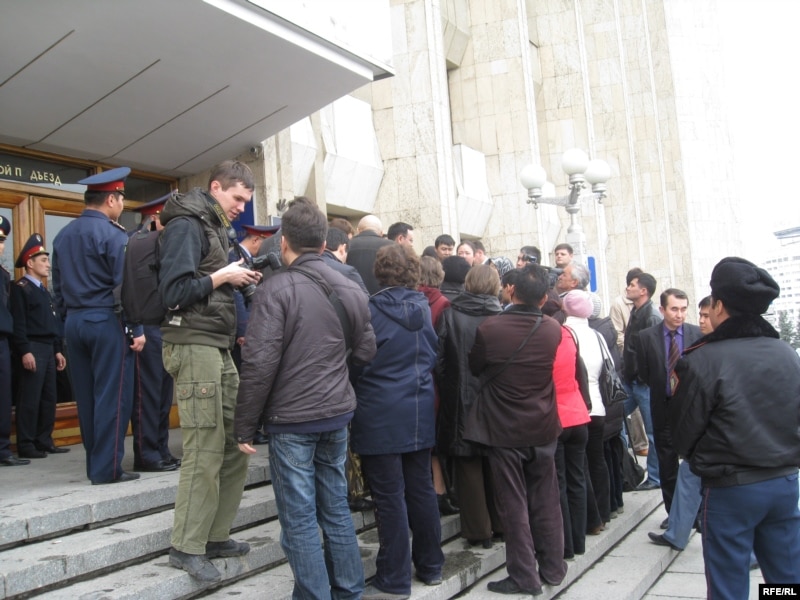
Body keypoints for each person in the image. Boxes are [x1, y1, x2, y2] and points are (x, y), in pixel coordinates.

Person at [234, 197, 376, 599]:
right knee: (335, 509)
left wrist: (244, 424)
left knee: (299, 519)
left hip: (293, 419)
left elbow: (259, 363)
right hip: (335, 413)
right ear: (324, 243)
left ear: (284, 243)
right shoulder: (350, 285)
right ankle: (349, 591)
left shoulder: (275, 289)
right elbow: (366, 350)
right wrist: (333, 368)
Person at [158, 160, 262, 583]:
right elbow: (173, 292)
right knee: (203, 447)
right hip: (192, 342)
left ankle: (215, 535)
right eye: (237, 198)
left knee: (237, 442)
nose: (241, 207)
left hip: (216, 344)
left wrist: (234, 278)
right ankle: (186, 546)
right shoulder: (187, 224)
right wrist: (223, 276)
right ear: (216, 187)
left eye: (245, 201)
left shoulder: (215, 225)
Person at [672, 257, 800, 598]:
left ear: (719, 305)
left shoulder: (702, 359)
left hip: (732, 488)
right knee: (787, 578)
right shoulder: (786, 353)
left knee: (729, 585)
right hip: (784, 481)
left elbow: (683, 434)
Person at [464, 263, 567, 596]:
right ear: (544, 298)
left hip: (505, 427)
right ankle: (553, 566)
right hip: (543, 423)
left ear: (510, 291)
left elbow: (475, 367)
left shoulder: (491, 328)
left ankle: (524, 575)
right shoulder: (553, 329)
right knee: (546, 498)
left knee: (513, 503)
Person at [352, 244, 444, 599]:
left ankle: (394, 576)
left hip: (379, 411)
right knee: (420, 489)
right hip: (417, 409)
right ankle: (431, 565)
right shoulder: (423, 307)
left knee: (389, 496)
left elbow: (359, 361)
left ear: (380, 272)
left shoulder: (371, 309)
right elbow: (433, 355)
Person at [52, 167, 145, 485]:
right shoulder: (114, 235)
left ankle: (96, 464)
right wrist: (136, 328)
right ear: (111, 199)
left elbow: (58, 287)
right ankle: (108, 469)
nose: (122, 204)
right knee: (113, 396)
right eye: (121, 198)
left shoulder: (63, 235)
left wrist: (66, 320)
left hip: (75, 322)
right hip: (106, 320)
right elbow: (125, 287)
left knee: (87, 398)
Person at [435, 264, 503, 547]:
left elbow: (439, 362)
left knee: (468, 466)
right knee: (497, 464)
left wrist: (450, 388)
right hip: (498, 402)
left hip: (460, 399)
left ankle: (478, 531)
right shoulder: (503, 317)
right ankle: (501, 524)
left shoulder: (451, 315)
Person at [648, 295, 711, 552]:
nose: (700, 320)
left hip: (714, 429)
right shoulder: (649, 337)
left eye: (707, 315)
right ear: (662, 309)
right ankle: (677, 531)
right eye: (701, 315)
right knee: (686, 474)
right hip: (674, 412)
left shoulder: (712, 348)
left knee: (693, 475)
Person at [125, 195, 180, 472]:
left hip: (163, 327)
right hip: (146, 327)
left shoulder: (160, 245)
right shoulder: (136, 244)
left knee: (162, 395)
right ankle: (146, 454)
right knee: (146, 396)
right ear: (156, 218)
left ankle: (160, 448)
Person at [636, 289, 701, 515]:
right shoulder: (646, 337)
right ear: (662, 310)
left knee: (695, 461)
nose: (679, 314)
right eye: (674, 309)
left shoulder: (697, 334)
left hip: (692, 409)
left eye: (683, 309)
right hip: (662, 406)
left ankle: (696, 512)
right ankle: (673, 514)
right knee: (667, 462)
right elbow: (644, 372)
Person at [10, 234, 68, 459]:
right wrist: (25, 350)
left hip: (48, 348)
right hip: (33, 347)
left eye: (47, 260)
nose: (48, 265)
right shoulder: (21, 288)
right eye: (43, 260)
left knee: (48, 398)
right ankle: (26, 444)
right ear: (30, 263)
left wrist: (57, 350)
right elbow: (19, 323)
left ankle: (44, 440)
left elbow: (51, 323)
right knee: (30, 398)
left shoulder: (44, 290)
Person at [563, 290, 612, 528]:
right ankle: (604, 512)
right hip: (598, 406)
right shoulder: (597, 335)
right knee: (597, 461)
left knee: (579, 467)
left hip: (576, 407)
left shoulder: (565, 334)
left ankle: (591, 519)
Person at [418, 255, 457, 517]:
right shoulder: (443, 304)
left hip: (416, 377)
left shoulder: (411, 300)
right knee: (435, 440)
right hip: (434, 379)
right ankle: (439, 491)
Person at [553, 310, 592, 559]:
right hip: (577, 413)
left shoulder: (544, 340)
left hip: (556, 416)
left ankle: (566, 545)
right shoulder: (569, 334)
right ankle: (579, 541)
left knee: (559, 482)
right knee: (577, 479)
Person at [621, 272, 662, 491]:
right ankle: (625, 468)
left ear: (643, 290)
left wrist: (645, 377)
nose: (628, 288)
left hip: (644, 384)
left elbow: (656, 352)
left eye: (632, 285)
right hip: (631, 381)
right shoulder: (636, 312)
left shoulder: (651, 316)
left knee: (653, 432)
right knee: (615, 418)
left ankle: (655, 477)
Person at [0, 216, 30, 467]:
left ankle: (2, 449)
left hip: (2, 341)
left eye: (2, 241)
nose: (0, 246)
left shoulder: (3, 275)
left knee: (2, 396)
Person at [346, 215, 392, 294]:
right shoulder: (393, 247)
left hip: (352, 297)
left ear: (358, 230)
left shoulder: (345, 246)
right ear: (381, 233)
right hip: (385, 298)